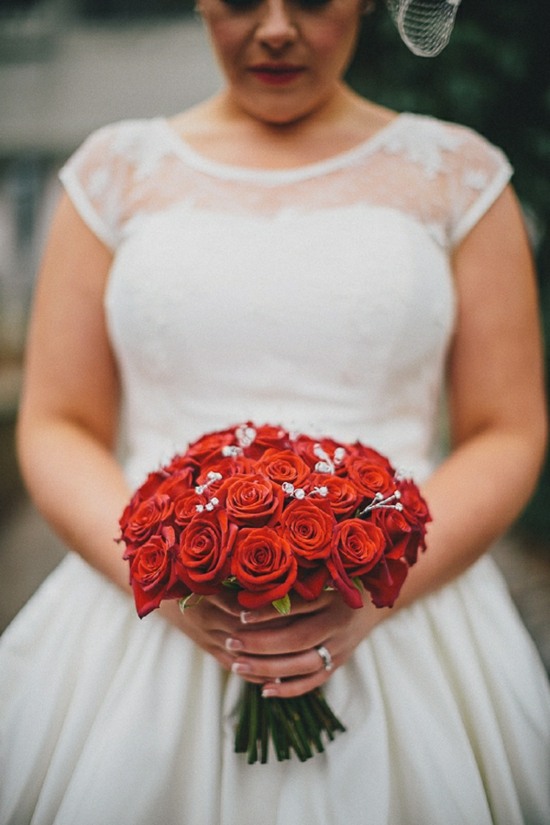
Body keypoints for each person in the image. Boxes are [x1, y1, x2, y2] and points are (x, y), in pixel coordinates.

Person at [1, 0, 549, 822]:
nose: (277, 28)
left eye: (315, 0)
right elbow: (56, 422)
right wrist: (167, 577)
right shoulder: (110, 173)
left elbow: (506, 427)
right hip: (144, 615)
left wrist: (378, 585)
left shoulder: (461, 177)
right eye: (242, 0)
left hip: (404, 608)